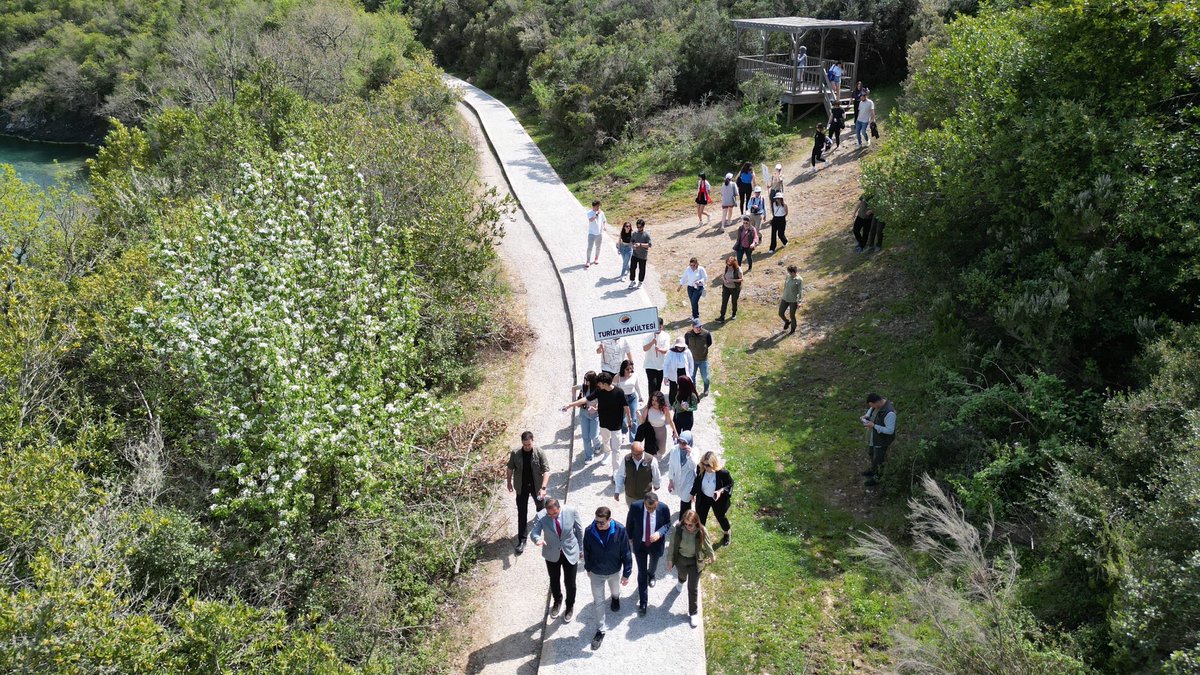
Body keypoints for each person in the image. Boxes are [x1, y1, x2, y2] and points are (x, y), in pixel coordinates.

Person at [582, 505, 632, 651]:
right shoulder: (590, 531)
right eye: (596, 521)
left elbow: (626, 552)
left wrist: (626, 573)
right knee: (598, 601)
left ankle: (615, 598)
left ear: (609, 519)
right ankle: (601, 630)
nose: (598, 525)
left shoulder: (620, 530)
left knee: (615, 591)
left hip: (614, 571)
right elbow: (587, 551)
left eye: (602, 522)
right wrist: (588, 568)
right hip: (597, 573)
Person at [563, 372, 632, 475]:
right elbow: (585, 399)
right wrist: (570, 405)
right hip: (604, 424)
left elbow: (626, 407)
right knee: (605, 442)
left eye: (599, 383)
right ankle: (607, 454)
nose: (598, 385)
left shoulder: (619, 392)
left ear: (604, 383)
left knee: (616, 449)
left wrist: (629, 420)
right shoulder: (599, 391)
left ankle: (616, 472)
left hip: (616, 426)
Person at [530, 497, 583, 622]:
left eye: (555, 513)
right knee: (554, 580)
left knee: (570, 583)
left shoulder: (571, 511)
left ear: (559, 508)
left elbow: (579, 530)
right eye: (550, 514)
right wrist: (537, 539)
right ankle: (557, 601)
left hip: (570, 551)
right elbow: (534, 532)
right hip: (552, 553)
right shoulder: (541, 516)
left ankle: (569, 606)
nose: (552, 516)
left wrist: (581, 549)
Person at [666, 508, 715, 628]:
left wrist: (712, 555)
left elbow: (707, 544)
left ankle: (693, 613)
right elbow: (672, 545)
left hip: (695, 561)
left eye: (691, 524)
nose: (688, 526)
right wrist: (670, 559)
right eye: (686, 524)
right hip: (681, 559)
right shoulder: (678, 528)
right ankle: (680, 581)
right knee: (682, 576)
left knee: (692, 588)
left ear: (696, 522)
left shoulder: (701, 530)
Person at [627, 492, 671, 616]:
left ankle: (651, 575)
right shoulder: (635, 507)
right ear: (644, 503)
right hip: (640, 545)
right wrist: (629, 537)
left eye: (654, 508)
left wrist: (659, 533)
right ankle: (643, 602)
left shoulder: (663, 508)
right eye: (648, 508)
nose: (651, 510)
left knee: (652, 566)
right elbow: (629, 522)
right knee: (641, 572)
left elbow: (668, 524)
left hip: (655, 544)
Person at [507, 431, 550, 554]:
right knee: (522, 513)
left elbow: (546, 471)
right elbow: (510, 468)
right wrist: (509, 482)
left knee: (541, 510)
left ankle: (546, 533)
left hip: (536, 487)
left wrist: (543, 488)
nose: (527, 447)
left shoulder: (539, 452)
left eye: (529, 444)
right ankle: (522, 540)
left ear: (533, 441)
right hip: (521, 487)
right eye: (524, 444)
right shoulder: (515, 453)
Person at [691, 451, 733, 547]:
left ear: (713, 464)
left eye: (708, 465)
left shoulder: (722, 473)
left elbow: (730, 484)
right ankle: (701, 536)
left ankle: (727, 533)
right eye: (703, 464)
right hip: (704, 498)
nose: (705, 467)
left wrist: (721, 491)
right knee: (700, 519)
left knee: (720, 517)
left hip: (717, 500)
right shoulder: (700, 468)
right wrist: (692, 493)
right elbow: (697, 481)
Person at [860, 392, 896, 486]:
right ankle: (873, 470)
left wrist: (874, 426)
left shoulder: (890, 413)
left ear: (877, 402)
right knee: (871, 453)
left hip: (882, 440)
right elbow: (871, 410)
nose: (872, 408)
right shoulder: (877, 405)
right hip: (874, 436)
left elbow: (890, 430)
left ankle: (877, 478)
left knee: (879, 459)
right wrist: (866, 416)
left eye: (872, 406)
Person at [570, 371, 601, 461]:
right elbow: (574, 388)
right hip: (584, 413)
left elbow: (601, 401)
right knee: (585, 436)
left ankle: (597, 445)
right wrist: (574, 401)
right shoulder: (584, 386)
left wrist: (596, 408)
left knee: (593, 435)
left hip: (594, 415)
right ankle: (589, 456)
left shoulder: (598, 389)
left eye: (587, 380)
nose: (585, 382)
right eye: (585, 379)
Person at [637, 391, 677, 459]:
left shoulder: (665, 409)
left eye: (656, 400)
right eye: (652, 400)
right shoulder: (648, 408)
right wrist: (639, 416)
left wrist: (675, 432)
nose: (654, 402)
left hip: (661, 432)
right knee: (650, 450)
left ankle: (657, 460)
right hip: (650, 431)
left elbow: (670, 421)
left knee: (661, 451)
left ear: (660, 401)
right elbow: (643, 421)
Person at [668, 431, 699, 516]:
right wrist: (670, 481)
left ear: (689, 442)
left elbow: (693, 466)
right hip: (677, 479)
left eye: (684, 443)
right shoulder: (674, 450)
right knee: (682, 497)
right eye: (679, 441)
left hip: (688, 481)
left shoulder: (694, 451)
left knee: (685, 501)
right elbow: (671, 466)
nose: (681, 445)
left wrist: (689, 455)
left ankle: (682, 523)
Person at [683, 319, 712, 395]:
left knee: (705, 377)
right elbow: (686, 345)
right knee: (692, 377)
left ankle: (706, 388)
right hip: (692, 360)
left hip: (703, 360)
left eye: (700, 326)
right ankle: (694, 391)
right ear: (692, 327)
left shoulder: (706, 333)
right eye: (697, 327)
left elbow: (709, 343)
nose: (699, 328)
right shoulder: (687, 335)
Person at [663, 337, 695, 405]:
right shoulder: (670, 352)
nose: (680, 348)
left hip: (684, 372)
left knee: (684, 389)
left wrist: (690, 374)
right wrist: (665, 376)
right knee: (673, 389)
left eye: (682, 346)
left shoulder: (687, 351)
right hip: (673, 373)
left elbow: (691, 363)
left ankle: (683, 403)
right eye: (678, 346)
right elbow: (666, 364)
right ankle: (673, 404)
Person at [642, 316, 669, 396]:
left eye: (660, 327)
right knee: (652, 385)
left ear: (662, 326)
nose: (658, 329)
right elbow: (645, 348)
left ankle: (657, 403)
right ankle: (650, 403)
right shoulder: (647, 335)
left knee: (658, 386)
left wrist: (659, 349)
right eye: (656, 327)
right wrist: (652, 343)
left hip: (661, 365)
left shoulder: (666, 335)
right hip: (650, 365)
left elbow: (666, 350)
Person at [615, 359, 641, 440]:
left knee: (633, 418)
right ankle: (624, 430)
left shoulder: (634, 375)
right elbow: (613, 388)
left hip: (632, 398)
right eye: (627, 369)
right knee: (622, 417)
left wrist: (640, 396)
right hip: (621, 399)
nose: (630, 370)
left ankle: (633, 438)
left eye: (631, 368)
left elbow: (637, 386)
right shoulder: (618, 377)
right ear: (623, 369)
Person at [716, 256, 743, 322]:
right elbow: (723, 275)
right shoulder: (726, 268)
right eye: (727, 264)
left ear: (734, 264)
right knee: (724, 302)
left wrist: (732, 280)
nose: (728, 266)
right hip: (726, 288)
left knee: (734, 302)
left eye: (730, 265)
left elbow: (741, 279)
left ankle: (734, 314)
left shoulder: (738, 269)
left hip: (735, 289)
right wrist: (724, 280)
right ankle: (722, 316)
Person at [778, 265, 803, 334]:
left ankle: (793, 329)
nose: (788, 273)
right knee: (780, 313)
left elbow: (800, 291)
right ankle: (786, 321)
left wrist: (800, 302)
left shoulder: (799, 280)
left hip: (793, 301)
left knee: (792, 315)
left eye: (789, 272)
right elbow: (785, 286)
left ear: (793, 272)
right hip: (785, 298)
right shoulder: (788, 277)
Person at [628, 218, 651, 288]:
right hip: (635, 254)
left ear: (643, 226)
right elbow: (631, 241)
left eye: (640, 227)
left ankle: (640, 282)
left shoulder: (646, 235)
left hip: (643, 256)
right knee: (632, 268)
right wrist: (632, 246)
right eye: (637, 227)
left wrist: (640, 245)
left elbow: (649, 245)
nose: (638, 228)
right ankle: (632, 281)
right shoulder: (634, 233)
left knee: (642, 270)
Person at [586, 200, 606, 267]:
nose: (598, 208)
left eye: (599, 206)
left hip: (599, 233)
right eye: (597, 206)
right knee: (589, 248)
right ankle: (588, 260)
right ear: (593, 206)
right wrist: (596, 214)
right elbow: (590, 220)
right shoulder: (589, 212)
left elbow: (604, 220)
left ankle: (596, 258)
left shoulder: (601, 212)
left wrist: (604, 226)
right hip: (591, 233)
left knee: (598, 247)